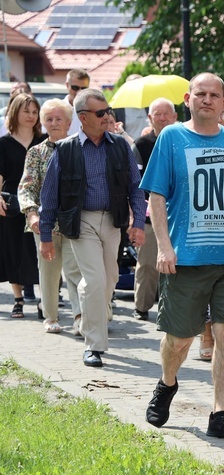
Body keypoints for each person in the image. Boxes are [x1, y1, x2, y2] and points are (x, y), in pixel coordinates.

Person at [140, 73, 224, 442]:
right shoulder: (171, 137)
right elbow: (156, 196)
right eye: (201, 94)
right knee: (179, 340)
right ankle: (167, 384)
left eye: (215, 95)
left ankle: (219, 412)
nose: (208, 100)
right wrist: (164, 246)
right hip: (187, 257)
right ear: (188, 98)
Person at [39, 88, 146, 368]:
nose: (107, 116)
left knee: (108, 279)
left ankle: (92, 315)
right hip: (81, 221)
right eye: (101, 113)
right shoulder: (65, 149)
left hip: (112, 221)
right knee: (95, 281)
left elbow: (135, 186)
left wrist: (138, 223)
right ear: (83, 117)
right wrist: (46, 236)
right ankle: (94, 345)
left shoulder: (120, 146)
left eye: (108, 111)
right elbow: (49, 196)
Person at [17, 99, 83, 334]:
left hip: (76, 222)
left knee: (76, 271)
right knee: (48, 271)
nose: (54, 123)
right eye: (49, 119)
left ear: (68, 122)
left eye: (58, 119)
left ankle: (79, 317)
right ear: (43, 123)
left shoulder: (80, 148)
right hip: (44, 224)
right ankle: (51, 317)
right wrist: (31, 214)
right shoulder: (36, 152)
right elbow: (26, 186)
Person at [131, 98, 179, 321]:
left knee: (175, 266)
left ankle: (168, 306)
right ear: (149, 118)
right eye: (157, 114)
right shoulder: (141, 144)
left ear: (175, 117)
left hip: (177, 214)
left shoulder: (182, 141)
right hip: (149, 214)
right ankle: (141, 306)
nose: (162, 118)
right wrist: (137, 217)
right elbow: (135, 182)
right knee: (148, 263)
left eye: (166, 114)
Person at [0, 93, 44, 319]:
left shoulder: (45, 141)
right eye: (26, 111)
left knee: (41, 252)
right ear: (15, 112)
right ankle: (18, 299)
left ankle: (44, 300)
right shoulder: (4, 143)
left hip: (41, 206)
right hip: (11, 206)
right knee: (13, 251)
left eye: (35, 112)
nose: (31, 116)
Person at [64, 69, 90, 135]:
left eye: (84, 88)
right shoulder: (57, 109)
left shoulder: (92, 110)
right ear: (67, 85)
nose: (79, 92)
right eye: (75, 88)